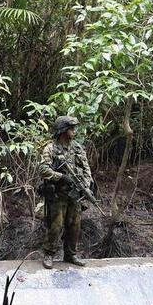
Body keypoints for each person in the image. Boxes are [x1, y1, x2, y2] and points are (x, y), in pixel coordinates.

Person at [37, 115, 94, 269]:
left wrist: (85, 186)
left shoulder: (77, 148)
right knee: (56, 225)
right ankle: (49, 254)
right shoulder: (51, 148)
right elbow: (43, 169)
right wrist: (61, 177)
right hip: (58, 194)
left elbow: (86, 169)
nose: (74, 131)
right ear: (63, 130)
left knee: (75, 225)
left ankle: (71, 254)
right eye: (71, 128)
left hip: (75, 194)